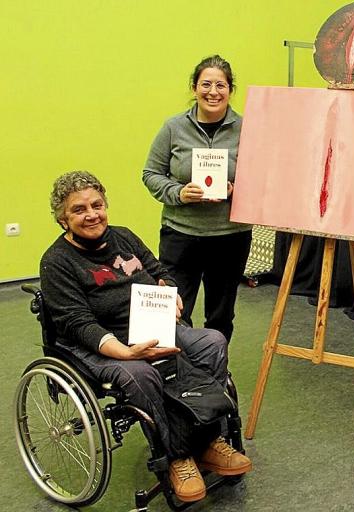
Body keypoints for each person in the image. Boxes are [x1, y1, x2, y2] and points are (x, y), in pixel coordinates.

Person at [40, 171, 252, 503]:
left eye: (97, 204)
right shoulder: (57, 262)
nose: (91, 214)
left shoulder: (123, 236)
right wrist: (126, 353)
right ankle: (176, 458)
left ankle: (208, 443)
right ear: (62, 219)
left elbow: (158, 269)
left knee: (211, 342)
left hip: (147, 325)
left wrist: (169, 290)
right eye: (79, 209)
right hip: (101, 342)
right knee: (142, 374)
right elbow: (78, 323)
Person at [142, 55, 252, 342]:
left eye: (220, 85)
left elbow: (263, 180)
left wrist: (235, 190)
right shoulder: (173, 128)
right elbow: (151, 173)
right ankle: (178, 374)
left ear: (230, 90)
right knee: (175, 310)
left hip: (230, 237)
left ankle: (214, 373)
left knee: (221, 314)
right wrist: (178, 193)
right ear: (194, 88)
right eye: (205, 84)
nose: (213, 92)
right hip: (181, 235)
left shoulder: (248, 128)